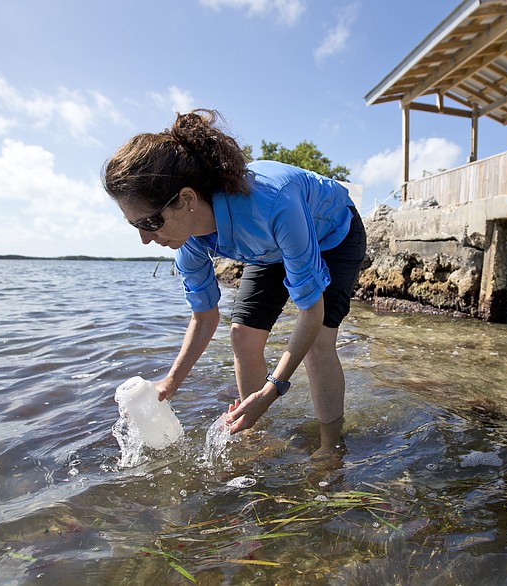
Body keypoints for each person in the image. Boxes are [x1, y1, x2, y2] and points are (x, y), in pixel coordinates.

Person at [102, 109, 366, 456]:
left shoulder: (275, 203)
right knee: (242, 335)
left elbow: (311, 311)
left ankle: (332, 446)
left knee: (318, 343)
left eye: (150, 222)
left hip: (332, 234)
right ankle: (258, 436)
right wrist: (171, 381)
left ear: (186, 199)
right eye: (135, 225)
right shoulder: (187, 238)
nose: (145, 240)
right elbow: (205, 316)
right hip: (268, 249)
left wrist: (272, 390)